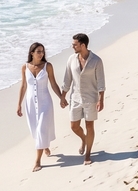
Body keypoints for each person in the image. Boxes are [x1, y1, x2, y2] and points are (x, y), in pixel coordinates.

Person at [16, 42, 66, 172]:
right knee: (35, 129)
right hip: (30, 103)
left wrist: (61, 97)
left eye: (42, 51)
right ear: (32, 53)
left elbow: (53, 84)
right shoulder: (25, 67)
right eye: (38, 51)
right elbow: (23, 86)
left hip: (45, 103)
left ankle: (37, 161)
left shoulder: (47, 66)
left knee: (41, 129)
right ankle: (44, 146)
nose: (41, 54)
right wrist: (19, 104)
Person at [62, 33, 105, 165]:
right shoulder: (71, 59)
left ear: (83, 45)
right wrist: (62, 96)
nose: (72, 46)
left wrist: (101, 99)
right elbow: (67, 79)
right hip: (75, 98)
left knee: (89, 126)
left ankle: (88, 154)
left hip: (91, 98)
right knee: (74, 126)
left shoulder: (96, 60)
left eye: (74, 44)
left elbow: (101, 82)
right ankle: (84, 140)